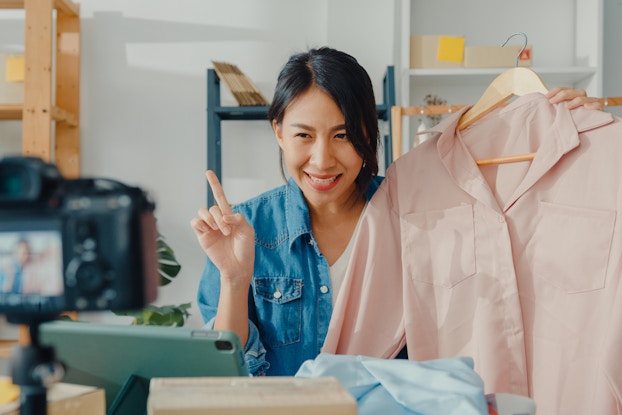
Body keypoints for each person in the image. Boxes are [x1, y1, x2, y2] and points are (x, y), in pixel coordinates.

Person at [191, 46, 603, 377]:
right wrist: (233, 277)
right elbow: (227, 376)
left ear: (371, 131)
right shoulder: (244, 230)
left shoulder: (418, 212)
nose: (322, 159)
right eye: (304, 135)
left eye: (343, 135)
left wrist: (572, 133)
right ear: (278, 131)